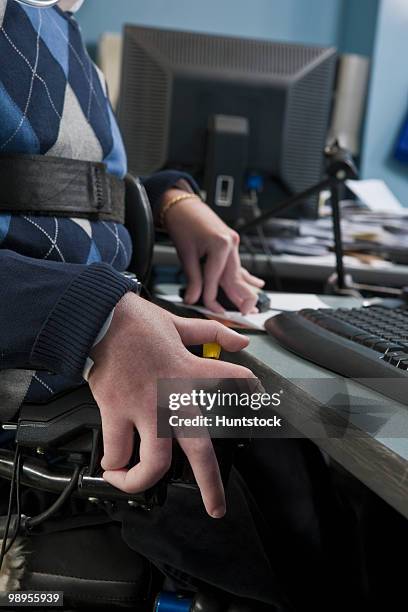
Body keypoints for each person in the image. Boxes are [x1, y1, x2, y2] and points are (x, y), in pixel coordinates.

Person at [0, 2, 360, 609]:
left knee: (301, 421)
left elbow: (47, 178)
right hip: (43, 364)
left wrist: (167, 199)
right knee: (264, 440)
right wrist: (98, 320)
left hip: (89, 334)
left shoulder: (47, 17)